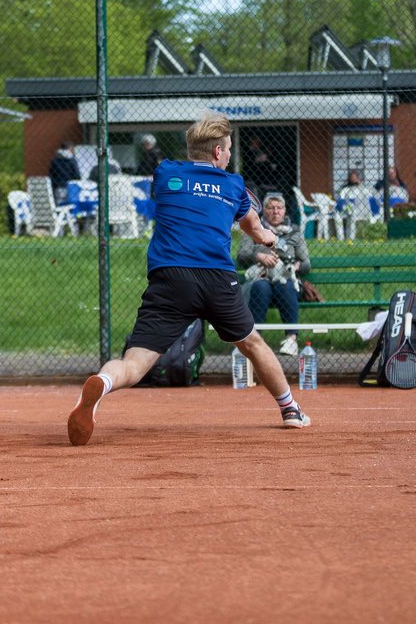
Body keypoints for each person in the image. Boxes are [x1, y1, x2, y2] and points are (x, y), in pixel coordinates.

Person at [67, 111, 311, 446]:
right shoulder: (234, 185)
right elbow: (254, 228)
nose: (227, 156)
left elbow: (186, 195)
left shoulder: (166, 173)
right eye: (226, 150)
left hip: (169, 278)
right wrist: (267, 238)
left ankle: (104, 382)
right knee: (252, 344)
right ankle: (291, 410)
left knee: (134, 364)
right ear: (217, 153)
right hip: (215, 279)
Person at [235, 192, 311, 358]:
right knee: (261, 287)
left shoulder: (295, 232)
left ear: (284, 211)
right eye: (271, 208)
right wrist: (259, 256)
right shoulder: (253, 228)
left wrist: (294, 267)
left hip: (286, 280)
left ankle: (291, 339)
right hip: (260, 278)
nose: (276, 211)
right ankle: (256, 341)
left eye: (279, 208)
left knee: (285, 285)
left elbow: (306, 263)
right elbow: (242, 256)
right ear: (265, 211)